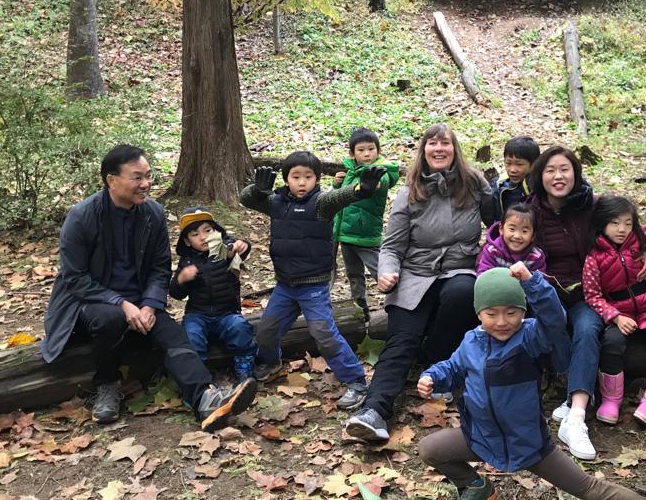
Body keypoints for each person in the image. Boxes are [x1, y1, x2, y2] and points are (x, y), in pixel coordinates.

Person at [416, 264, 646, 500]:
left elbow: (554, 319)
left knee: (588, 487)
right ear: (479, 313)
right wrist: (432, 377)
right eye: (492, 314)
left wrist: (532, 282)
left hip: (529, 444)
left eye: (511, 312)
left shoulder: (529, 338)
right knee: (430, 449)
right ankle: (476, 488)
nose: (502, 322)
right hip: (482, 437)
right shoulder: (471, 342)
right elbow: (453, 368)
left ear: (523, 312)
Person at [41, 144, 254, 431]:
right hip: (89, 304)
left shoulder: (152, 213)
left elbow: (159, 267)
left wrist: (151, 304)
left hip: (140, 303)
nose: (146, 184)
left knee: (174, 335)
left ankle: (205, 398)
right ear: (111, 180)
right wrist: (121, 303)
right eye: (137, 177)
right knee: (110, 318)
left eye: (149, 176)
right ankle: (106, 386)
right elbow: (74, 278)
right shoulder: (82, 216)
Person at [344, 123, 493, 443]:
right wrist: (387, 272)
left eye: (445, 143)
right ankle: (374, 411)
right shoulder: (409, 191)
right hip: (414, 275)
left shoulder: (472, 183)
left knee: (463, 292)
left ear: (455, 149)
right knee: (402, 340)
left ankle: (437, 360)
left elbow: (499, 224)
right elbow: (391, 246)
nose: (439, 149)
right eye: (432, 143)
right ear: (424, 150)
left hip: (458, 270)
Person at [529, 146, 646, 460]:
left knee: (587, 329)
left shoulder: (591, 205)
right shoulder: (531, 210)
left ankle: (576, 415)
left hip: (587, 293)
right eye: (550, 170)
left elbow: (629, 229)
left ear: (576, 173)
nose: (558, 176)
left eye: (565, 169)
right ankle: (570, 390)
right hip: (547, 293)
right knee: (551, 324)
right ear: (540, 176)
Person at [241, 151, 387, 411]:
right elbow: (245, 199)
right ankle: (271, 362)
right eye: (295, 176)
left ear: (316, 179)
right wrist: (257, 190)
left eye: (308, 177)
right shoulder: (276, 202)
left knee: (323, 333)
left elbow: (342, 196)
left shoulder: (321, 204)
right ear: (286, 179)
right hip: (285, 285)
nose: (301, 182)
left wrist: (362, 189)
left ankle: (356, 380)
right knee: (266, 330)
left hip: (314, 285)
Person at [581, 179, 646, 428]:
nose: (622, 229)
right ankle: (611, 399)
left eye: (627, 223)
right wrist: (615, 317)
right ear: (602, 223)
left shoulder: (639, 240)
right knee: (612, 344)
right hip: (621, 314)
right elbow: (592, 296)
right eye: (615, 223)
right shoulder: (594, 258)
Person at [170, 206, 257, 383]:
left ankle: (244, 368)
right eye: (195, 234)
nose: (203, 237)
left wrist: (243, 245)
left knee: (240, 328)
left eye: (207, 230)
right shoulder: (187, 261)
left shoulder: (225, 250)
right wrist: (181, 279)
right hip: (198, 314)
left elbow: (241, 250)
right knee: (191, 336)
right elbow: (176, 294)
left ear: (216, 231)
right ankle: (199, 377)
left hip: (227, 313)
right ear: (187, 241)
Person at [332, 128, 401, 321]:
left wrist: (372, 184)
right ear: (352, 153)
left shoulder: (380, 171)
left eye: (371, 149)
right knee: (354, 276)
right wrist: (337, 184)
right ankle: (360, 312)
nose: (367, 154)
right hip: (346, 235)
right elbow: (340, 198)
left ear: (378, 150)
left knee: (383, 273)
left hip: (366, 236)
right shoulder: (351, 171)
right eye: (361, 150)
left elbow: (382, 182)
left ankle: (401, 303)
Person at [476, 203, 546, 275]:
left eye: (524, 231)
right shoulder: (492, 251)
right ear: (501, 229)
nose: (517, 236)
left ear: (533, 236)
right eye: (512, 229)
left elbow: (540, 280)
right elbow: (483, 276)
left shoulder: (536, 256)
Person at [491, 136, 540, 222]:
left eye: (519, 164)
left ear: (534, 164)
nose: (512, 170)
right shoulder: (500, 185)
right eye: (508, 163)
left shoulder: (539, 185)